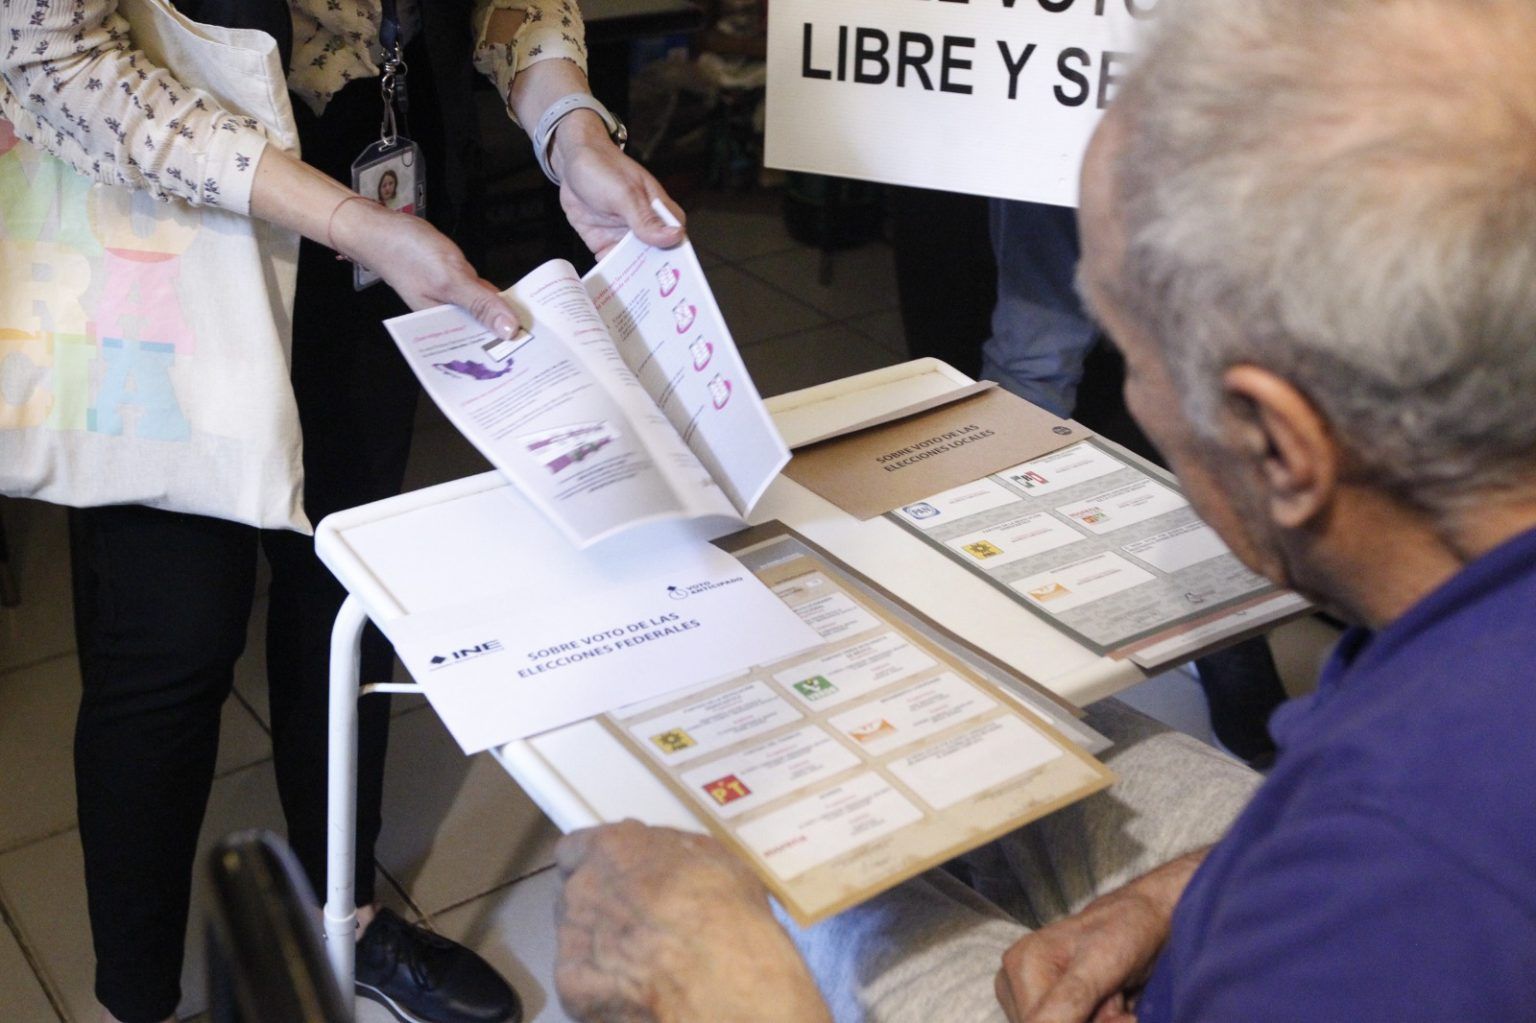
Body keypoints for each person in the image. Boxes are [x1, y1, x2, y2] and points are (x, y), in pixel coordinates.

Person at [551, 0, 1536, 1019]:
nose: (1132, 389)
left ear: (1280, 446)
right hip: (1275, 882)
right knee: (997, 717)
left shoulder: (1401, 885)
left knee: (804, 890)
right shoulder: (1453, 650)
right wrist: (1175, 893)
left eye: (1133, 354)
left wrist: (738, 991)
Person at [1, 3, 685, 1023]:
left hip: (378, 174)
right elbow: (54, 59)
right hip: (171, 205)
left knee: (346, 590)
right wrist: (346, 220)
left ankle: (347, 917)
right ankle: (135, 999)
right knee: (171, 639)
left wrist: (569, 126)